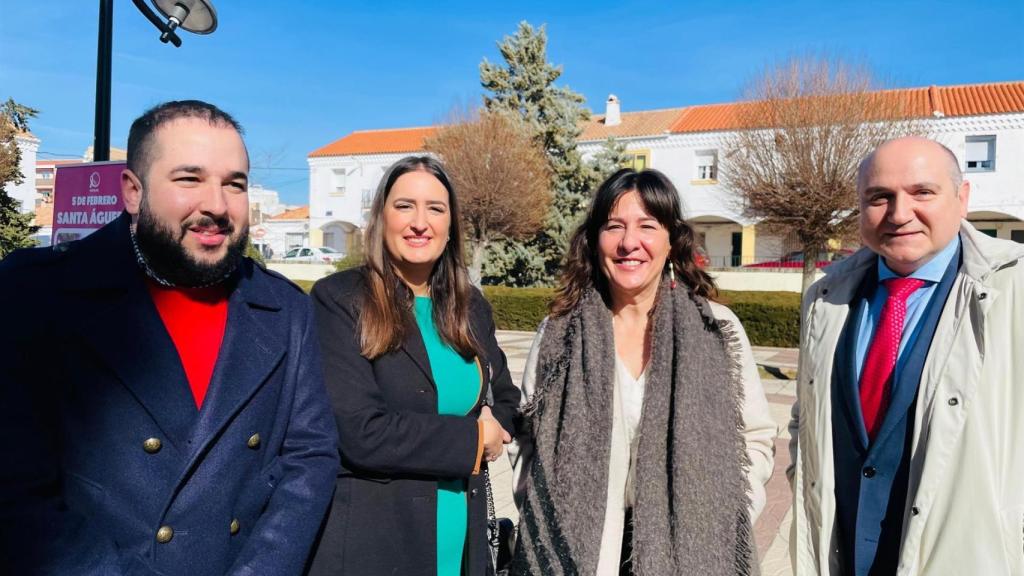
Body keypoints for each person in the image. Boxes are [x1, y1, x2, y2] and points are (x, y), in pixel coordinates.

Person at [0, 100, 339, 575]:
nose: (217, 206)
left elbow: (309, 457)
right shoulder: (35, 294)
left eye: (234, 184)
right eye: (189, 179)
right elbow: (16, 489)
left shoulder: (287, 310)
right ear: (133, 192)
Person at [511, 168, 777, 575]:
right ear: (594, 239)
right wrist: (542, 510)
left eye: (647, 226)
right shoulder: (559, 332)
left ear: (671, 240)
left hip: (694, 550)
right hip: (574, 551)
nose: (629, 243)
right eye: (614, 226)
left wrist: (727, 513)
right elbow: (526, 436)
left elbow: (756, 436)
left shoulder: (716, 328)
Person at [788, 136, 1024, 575]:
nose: (899, 214)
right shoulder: (825, 297)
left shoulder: (1015, 288)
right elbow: (807, 417)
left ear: (962, 197)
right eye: (879, 197)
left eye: (922, 192)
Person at [307, 156, 520, 576]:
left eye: (435, 209)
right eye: (405, 206)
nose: (419, 222)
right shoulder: (339, 300)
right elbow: (360, 432)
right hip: (377, 544)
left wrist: (500, 425)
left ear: (450, 225)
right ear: (381, 216)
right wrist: (475, 438)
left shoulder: (470, 306)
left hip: (463, 538)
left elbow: (507, 400)